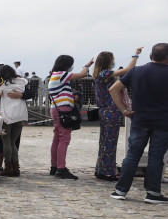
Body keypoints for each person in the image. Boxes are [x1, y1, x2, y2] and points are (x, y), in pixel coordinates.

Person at [109, 43, 168, 204]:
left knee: (133, 155)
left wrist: (124, 110)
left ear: (151, 56)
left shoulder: (137, 71)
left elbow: (113, 89)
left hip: (139, 119)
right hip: (163, 121)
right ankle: (152, 192)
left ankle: (120, 190)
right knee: (156, 157)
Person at [92, 48, 143, 181]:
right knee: (110, 141)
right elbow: (127, 70)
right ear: (109, 61)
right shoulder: (106, 73)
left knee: (104, 141)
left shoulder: (99, 74)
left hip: (103, 110)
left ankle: (101, 168)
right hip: (111, 110)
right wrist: (135, 55)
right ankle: (108, 171)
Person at [48, 54, 93, 180]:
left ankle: (54, 166)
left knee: (57, 138)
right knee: (64, 140)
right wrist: (87, 66)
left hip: (55, 109)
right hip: (64, 110)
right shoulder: (62, 74)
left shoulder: (54, 75)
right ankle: (61, 169)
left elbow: (60, 93)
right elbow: (82, 74)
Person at [0, 64, 28, 176]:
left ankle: (8, 168)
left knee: (7, 143)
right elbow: (28, 91)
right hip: (21, 115)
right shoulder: (22, 81)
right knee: (13, 143)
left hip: (7, 116)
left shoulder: (3, 85)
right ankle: (16, 169)